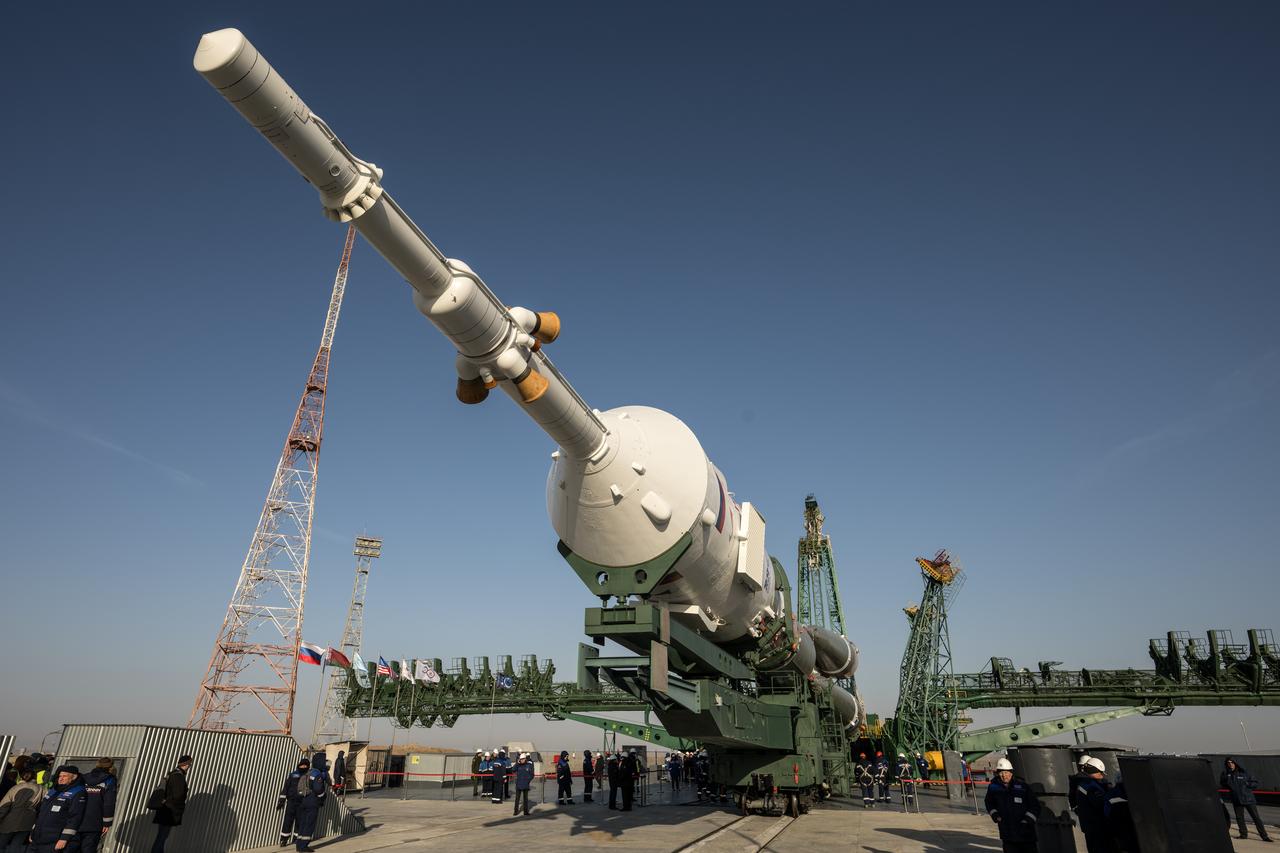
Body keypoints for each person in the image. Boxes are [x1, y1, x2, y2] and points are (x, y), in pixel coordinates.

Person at [984, 757, 1040, 853]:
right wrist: (995, 815)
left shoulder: (1022, 786)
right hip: (1007, 832)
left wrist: (1027, 821)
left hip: (1025, 833)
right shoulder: (993, 787)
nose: (1004, 776)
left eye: (1006, 772)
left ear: (1011, 772)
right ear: (998, 773)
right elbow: (989, 802)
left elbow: (1035, 806)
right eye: (1001, 773)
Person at [29, 765, 87, 853]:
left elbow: (75, 818)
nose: (61, 778)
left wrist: (64, 839)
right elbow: (41, 813)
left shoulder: (78, 792)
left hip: (54, 841)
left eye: (64, 776)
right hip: (38, 838)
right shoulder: (54, 790)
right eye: (60, 776)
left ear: (74, 777)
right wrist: (33, 831)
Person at [1221, 757, 1273, 842]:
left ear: (1235, 763)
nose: (1230, 764)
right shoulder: (1226, 774)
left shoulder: (1244, 772)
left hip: (1248, 799)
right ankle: (1243, 835)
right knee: (1239, 818)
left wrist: (1246, 784)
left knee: (1256, 818)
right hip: (1236, 799)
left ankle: (1264, 836)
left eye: (1232, 762)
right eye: (1228, 762)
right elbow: (1223, 783)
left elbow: (1255, 783)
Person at [1069, 756, 1114, 853]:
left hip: (1091, 828)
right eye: (1100, 773)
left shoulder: (1083, 784)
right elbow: (1100, 804)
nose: (1102, 776)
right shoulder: (1090, 787)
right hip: (1097, 828)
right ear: (1095, 771)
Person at [284, 756, 326, 852]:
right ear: (321, 763)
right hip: (312, 802)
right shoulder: (317, 774)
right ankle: (303, 847)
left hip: (303, 801)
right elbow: (318, 789)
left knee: (303, 824)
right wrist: (322, 797)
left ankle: (299, 845)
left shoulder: (308, 772)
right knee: (309, 824)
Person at [151, 755, 190, 853]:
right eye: (189, 764)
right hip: (169, 811)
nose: (189, 766)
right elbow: (178, 795)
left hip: (165, 809)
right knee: (162, 836)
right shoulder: (178, 776)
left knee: (162, 835)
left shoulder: (172, 774)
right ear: (185, 764)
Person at [78, 758, 118, 853]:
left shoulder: (84, 777)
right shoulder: (110, 780)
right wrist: (107, 823)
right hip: (95, 822)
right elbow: (109, 803)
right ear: (111, 766)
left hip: (77, 819)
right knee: (89, 848)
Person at [0, 768, 42, 852]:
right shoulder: (41, 789)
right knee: (16, 846)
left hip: (10, 820)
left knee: (1, 844)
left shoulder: (16, 787)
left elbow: (4, 806)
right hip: (28, 821)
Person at [277, 757, 310, 848]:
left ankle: (296, 838)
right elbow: (286, 787)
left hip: (302, 803)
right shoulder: (293, 774)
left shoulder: (308, 776)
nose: (303, 766)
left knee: (299, 822)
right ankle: (284, 839)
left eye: (305, 765)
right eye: (302, 765)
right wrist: (281, 800)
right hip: (291, 802)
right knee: (287, 821)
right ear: (299, 765)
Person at [1104, 775, 1139, 852]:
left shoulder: (1110, 794)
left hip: (1120, 832)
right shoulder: (1134, 790)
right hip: (1135, 830)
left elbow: (1107, 813)